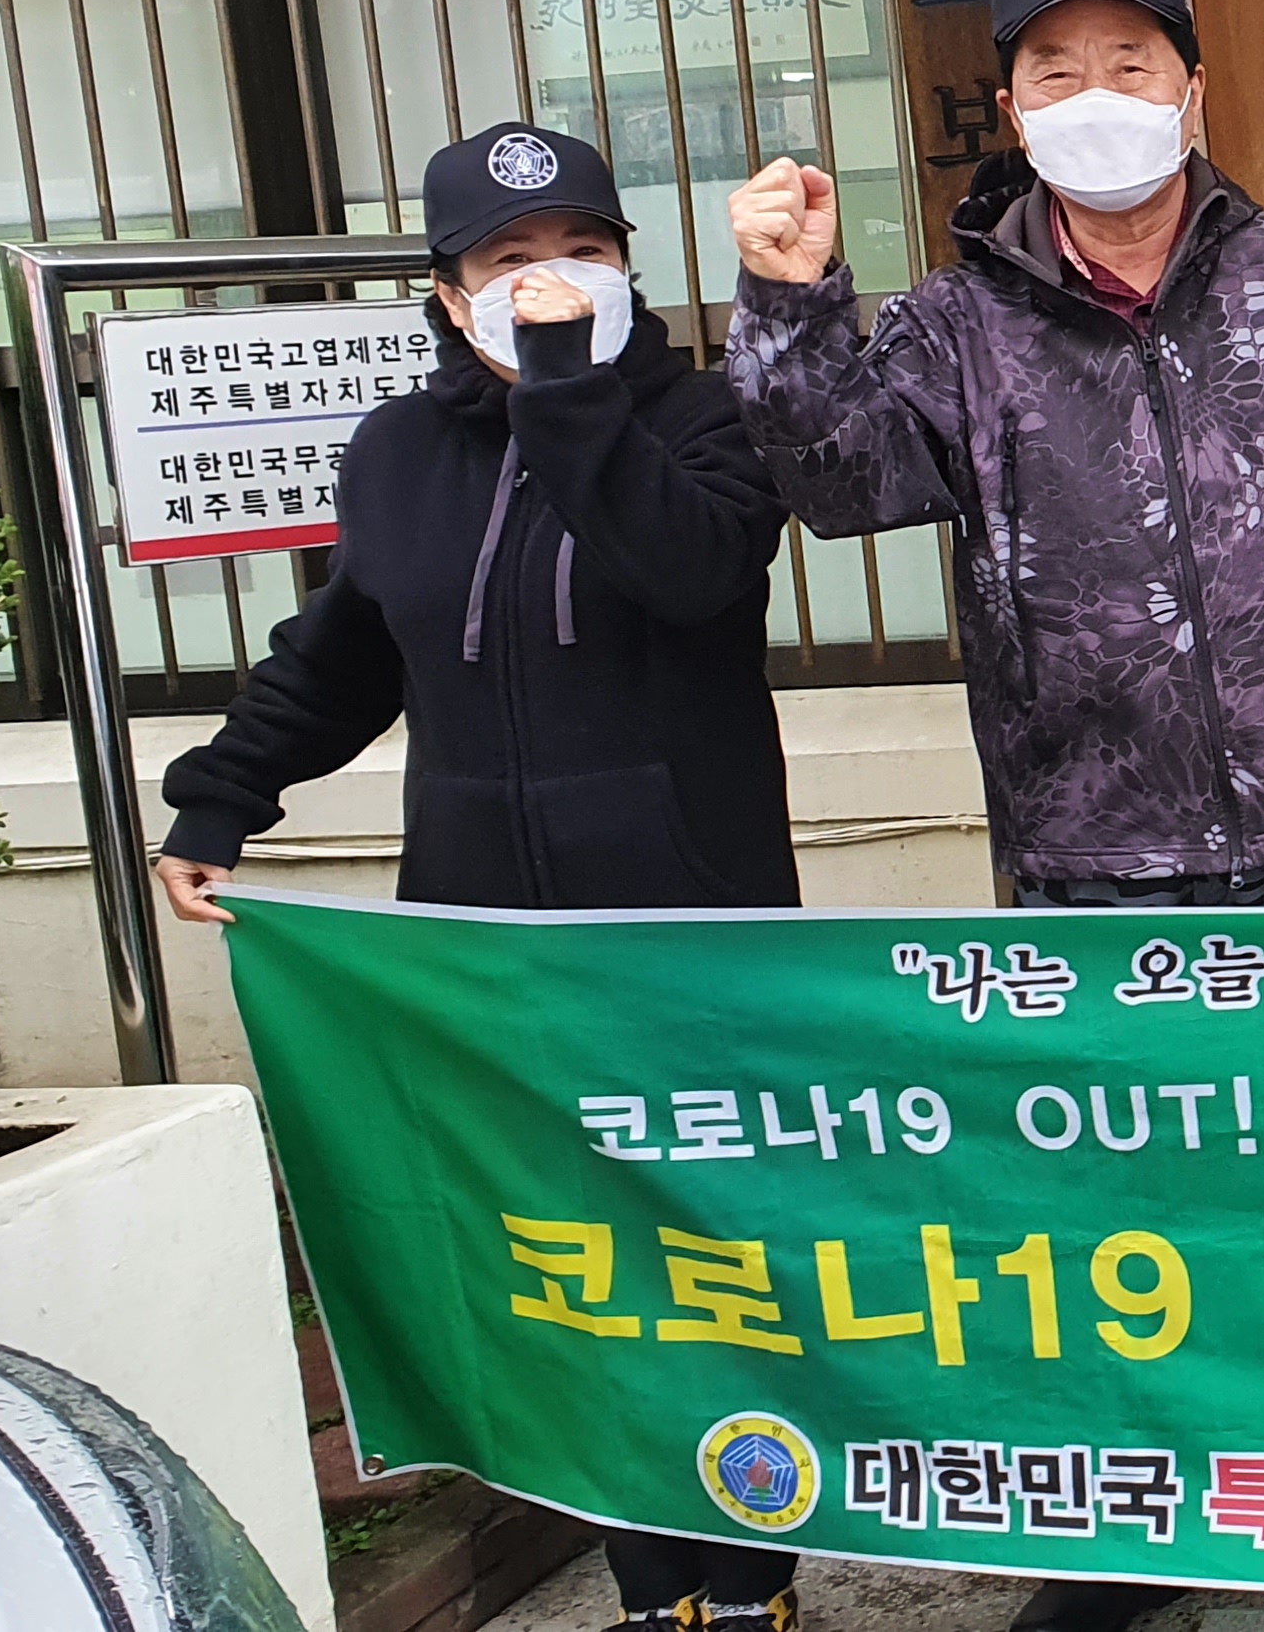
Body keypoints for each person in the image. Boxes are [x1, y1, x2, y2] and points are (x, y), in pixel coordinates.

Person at [718, 0, 1264, 1632]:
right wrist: (790, 306)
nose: (1096, 94)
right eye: (1055, 69)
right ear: (1013, 110)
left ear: (1190, 85)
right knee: (1129, 1234)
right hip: (1100, 869)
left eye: (1128, 62)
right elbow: (840, 487)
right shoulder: (958, 327)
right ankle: (1137, 1543)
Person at [152, 123, 803, 1632]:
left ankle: (752, 1566)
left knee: (705, 1255)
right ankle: (651, 1583)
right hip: (480, 936)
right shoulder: (398, 454)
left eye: (583, 249)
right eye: (510, 261)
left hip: (682, 925)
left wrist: (569, 393)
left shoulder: (710, 422)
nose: (551, 281)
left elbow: (687, 574)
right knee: (557, 1260)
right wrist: (221, 799)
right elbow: (343, 656)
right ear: (450, 297)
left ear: (630, 266)